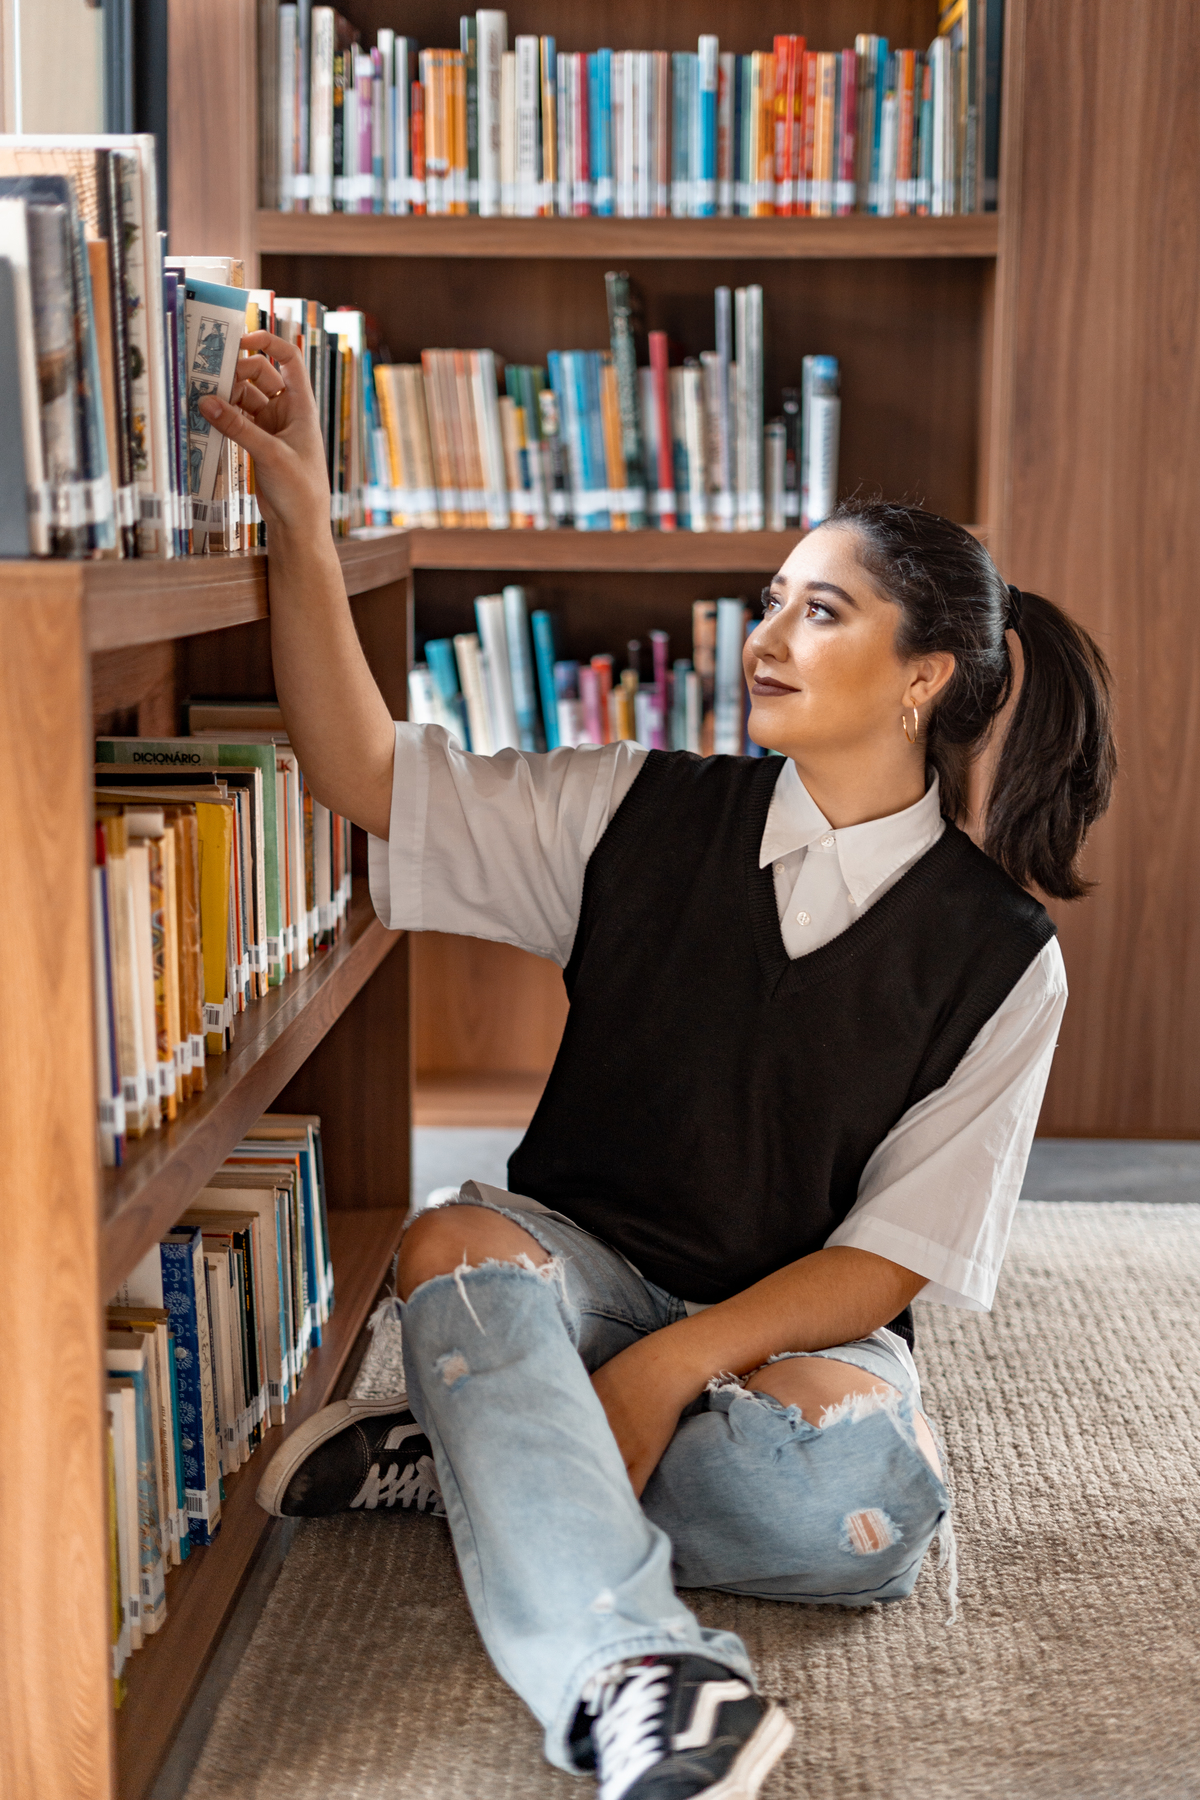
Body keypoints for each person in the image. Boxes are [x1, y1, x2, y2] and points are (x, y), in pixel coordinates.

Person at [199, 336, 1115, 1800]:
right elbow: (369, 775)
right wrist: (302, 515)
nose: (766, 638)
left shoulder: (1006, 956)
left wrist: (669, 1369)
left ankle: (497, 1440)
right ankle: (636, 1671)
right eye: (771, 606)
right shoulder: (631, 806)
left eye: (823, 613)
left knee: (846, 1521)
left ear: (922, 676)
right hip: (582, 1260)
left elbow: (886, 1266)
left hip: (788, 1321)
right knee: (451, 1242)